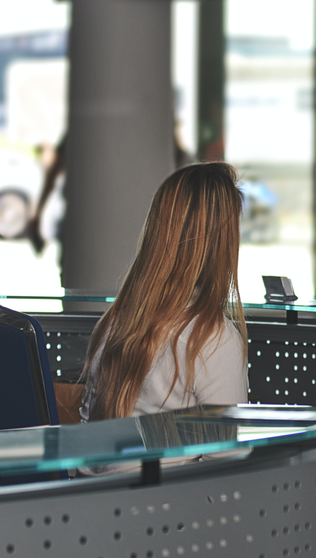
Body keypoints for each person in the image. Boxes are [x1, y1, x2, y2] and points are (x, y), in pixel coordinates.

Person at [80, 162, 250, 421]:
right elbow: (227, 457)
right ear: (221, 243)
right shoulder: (213, 341)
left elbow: (86, 436)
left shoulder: (113, 323)